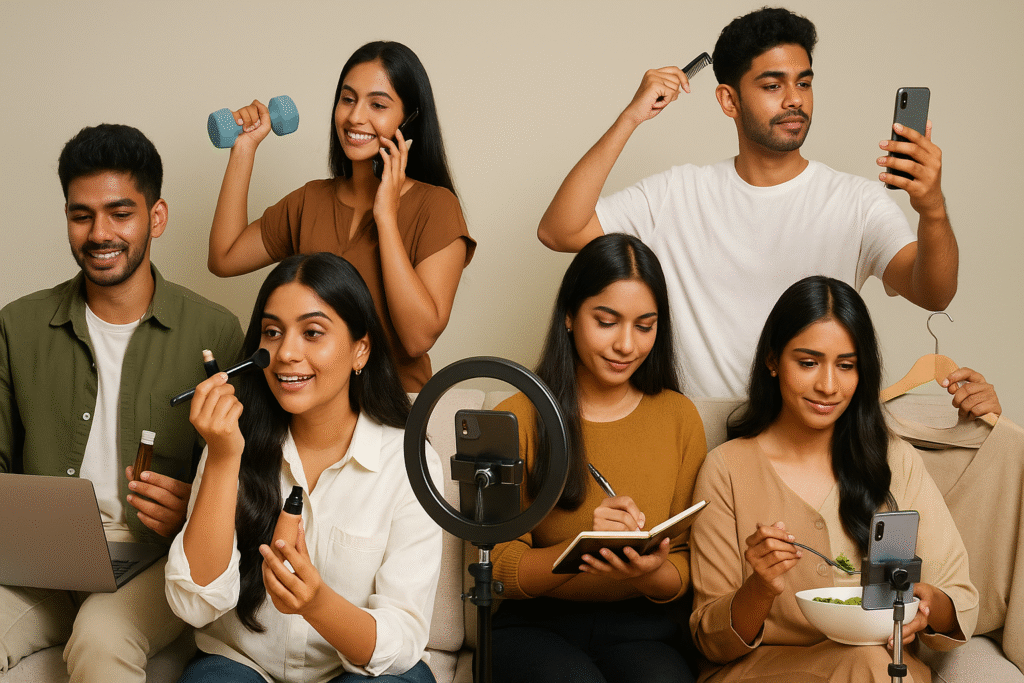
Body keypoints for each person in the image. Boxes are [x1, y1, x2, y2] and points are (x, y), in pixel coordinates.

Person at [536, 7, 959, 399]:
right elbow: (560, 231)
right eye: (773, 85)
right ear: (729, 100)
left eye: (805, 83)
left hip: (808, 439)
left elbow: (933, 293)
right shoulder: (677, 194)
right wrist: (630, 117)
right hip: (696, 440)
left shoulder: (857, 201)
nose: (795, 98)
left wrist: (933, 210)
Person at [0, 124, 244, 681]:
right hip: (40, 562)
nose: (98, 232)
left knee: (101, 642)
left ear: (156, 217)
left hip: (154, 563)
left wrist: (190, 511)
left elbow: (242, 478)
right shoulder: (18, 326)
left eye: (119, 213)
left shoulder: (215, 331)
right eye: (81, 215)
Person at [166, 252, 443, 682]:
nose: (286, 353)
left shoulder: (410, 461)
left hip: (355, 672)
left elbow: (403, 638)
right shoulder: (230, 440)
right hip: (242, 665)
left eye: (312, 332)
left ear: (360, 350)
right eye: (272, 332)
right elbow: (194, 604)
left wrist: (317, 605)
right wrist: (223, 458)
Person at [688, 276, 979, 682]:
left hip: (881, 667)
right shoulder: (726, 469)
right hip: (761, 671)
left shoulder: (894, 459)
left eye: (846, 366)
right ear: (772, 360)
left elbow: (958, 596)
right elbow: (711, 639)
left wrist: (925, 607)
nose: (828, 386)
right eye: (808, 363)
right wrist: (760, 587)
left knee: (872, 664)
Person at [489, 234, 706, 682]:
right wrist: (581, 549)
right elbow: (499, 570)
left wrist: (649, 572)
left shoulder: (678, 417)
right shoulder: (515, 417)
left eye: (644, 326)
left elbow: (686, 563)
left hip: (643, 626)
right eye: (606, 321)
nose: (626, 344)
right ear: (569, 316)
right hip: (536, 624)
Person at [207, 40, 475, 393]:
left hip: (395, 412)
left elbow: (417, 339)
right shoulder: (310, 200)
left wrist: (386, 218)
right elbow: (224, 257)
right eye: (348, 99)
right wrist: (244, 148)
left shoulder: (436, 206)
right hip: (312, 409)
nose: (354, 117)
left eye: (377, 104)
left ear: (409, 120)